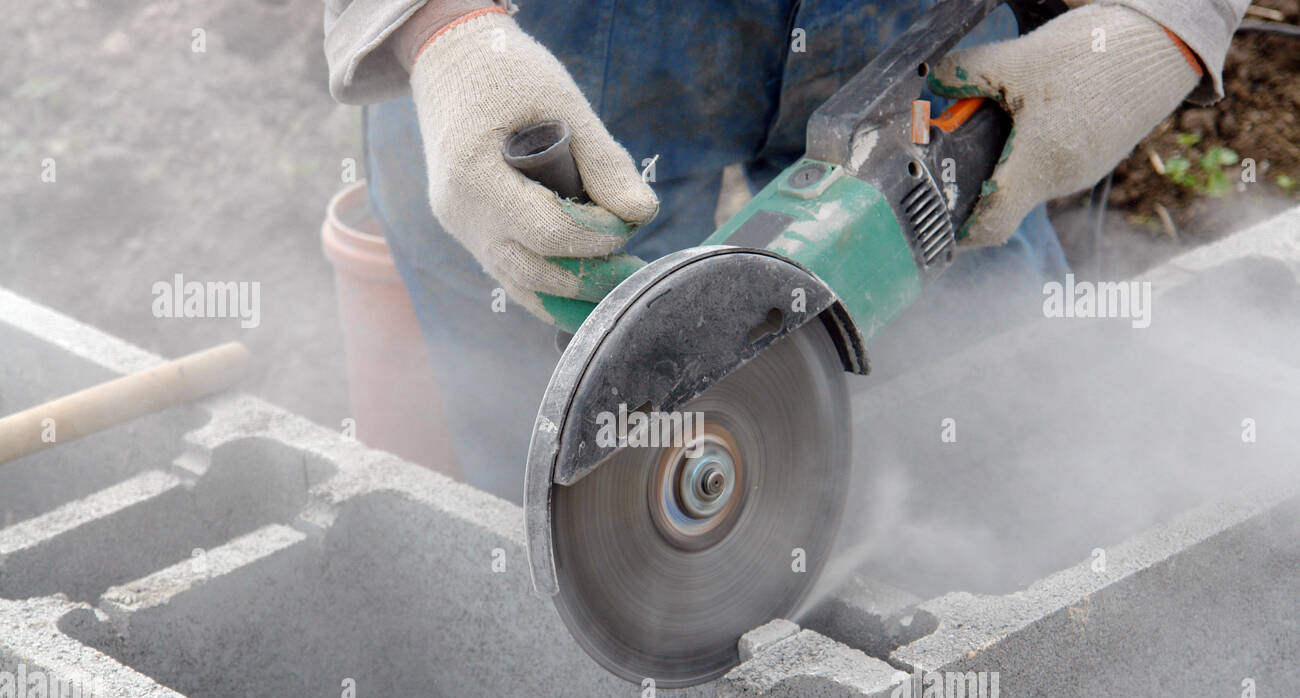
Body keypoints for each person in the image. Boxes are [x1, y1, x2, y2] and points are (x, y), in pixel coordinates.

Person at [323, 0, 1249, 501]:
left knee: (1001, 425)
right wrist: (441, 32)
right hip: (545, 27)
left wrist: (1162, 21)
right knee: (566, 428)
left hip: (897, 17)